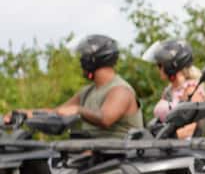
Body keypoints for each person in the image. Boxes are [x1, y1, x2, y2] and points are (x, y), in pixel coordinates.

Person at [4, 35, 142, 137]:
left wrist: (78, 110)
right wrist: (24, 113)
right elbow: (57, 112)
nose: (80, 61)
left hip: (120, 159)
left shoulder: (120, 90)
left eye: (83, 57)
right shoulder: (87, 92)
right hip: (93, 156)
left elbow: (105, 119)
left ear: (92, 60)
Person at [143, 39, 205, 139]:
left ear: (171, 66)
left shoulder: (191, 90)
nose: (158, 69)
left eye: (160, 65)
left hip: (183, 147)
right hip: (166, 145)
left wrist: (162, 139)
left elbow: (189, 130)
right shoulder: (169, 90)